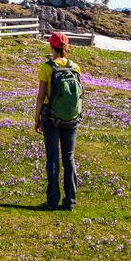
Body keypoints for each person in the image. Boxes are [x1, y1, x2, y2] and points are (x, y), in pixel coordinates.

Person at [34, 32, 83, 211]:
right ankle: (70, 202)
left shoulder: (47, 68)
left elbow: (41, 97)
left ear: (51, 47)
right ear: (66, 47)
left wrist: (36, 119)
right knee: (69, 158)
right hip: (71, 119)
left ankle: (52, 202)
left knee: (53, 158)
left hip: (51, 118)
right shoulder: (75, 67)